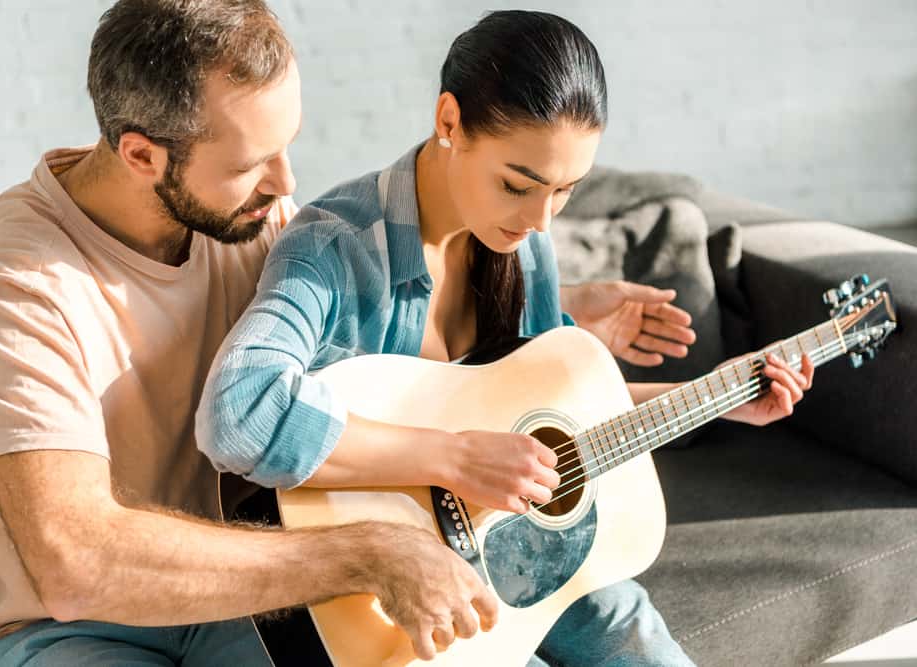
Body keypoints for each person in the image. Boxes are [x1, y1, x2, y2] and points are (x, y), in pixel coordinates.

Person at [0, 2, 700, 665]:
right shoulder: (20, 281)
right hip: (69, 630)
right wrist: (366, 553)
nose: (286, 185)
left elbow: (404, 369)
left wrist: (560, 315)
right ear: (141, 154)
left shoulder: (245, 219)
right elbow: (77, 564)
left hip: (253, 609)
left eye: (287, 145)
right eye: (251, 163)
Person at [196, 10, 814, 666]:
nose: (539, 218)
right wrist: (454, 457)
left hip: (517, 557)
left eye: (564, 191)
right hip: (384, 591)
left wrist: (714, 398)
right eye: (517, 184)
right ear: (448, 122)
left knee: (639, 636)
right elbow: (237, 413)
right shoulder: (332, 247)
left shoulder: (527, 250)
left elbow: (554, 428)